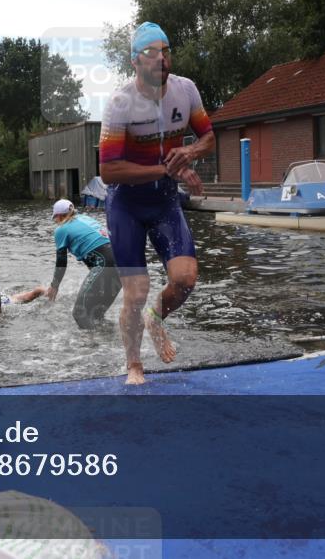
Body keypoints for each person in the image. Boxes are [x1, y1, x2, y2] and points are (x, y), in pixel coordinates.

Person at [98, 21, 212, 385]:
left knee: (185, 279)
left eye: (165, 50)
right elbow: (109, 170)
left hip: (163, 201)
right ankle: (134, 364)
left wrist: (189, 152)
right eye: (151, 53)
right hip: (126, 205)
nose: (160, 58)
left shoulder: (186, 90)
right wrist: (167, 168)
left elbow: (209, 136)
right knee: (136, 291)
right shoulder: (120, 104)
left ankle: (156, 318)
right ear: (135, 62)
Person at [47, 198, 121, 329]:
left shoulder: (61, 229)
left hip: (106, 264)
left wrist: (54, 286)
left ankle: (94, 348)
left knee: (79, 313)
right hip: (123, 264)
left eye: (55, 219)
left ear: (58, 216)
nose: (56, 222)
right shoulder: (86, 219)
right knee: (96, 314)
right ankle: (109, 344)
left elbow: (61, 261)